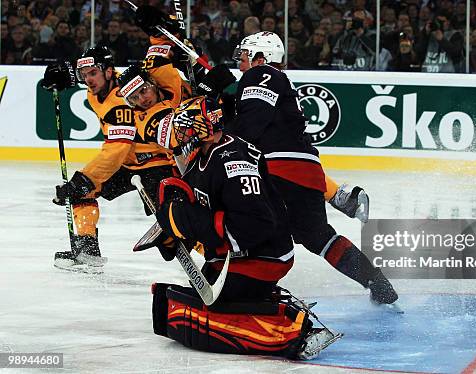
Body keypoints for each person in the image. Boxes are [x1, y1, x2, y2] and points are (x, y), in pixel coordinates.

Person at [147, 95, 341, 359]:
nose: (180, 137)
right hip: (235, 255)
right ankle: (261, 302)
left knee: (195, 316)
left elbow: (255, 226)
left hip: (264, 256)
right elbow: (202, 210)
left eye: (186, 129)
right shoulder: (202, 157)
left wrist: (188, 222)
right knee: (178, 302)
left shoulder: (233, 163)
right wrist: (176, 232)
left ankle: (290, 331)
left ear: (205, 127)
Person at [229, 31, 398, 305]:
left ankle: (247, 293)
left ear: (261, 57)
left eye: (245, 57)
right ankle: (377, 283)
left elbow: (250, 125)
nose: (241, 65)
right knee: (318, 237)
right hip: (306, 173)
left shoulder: (262, 74)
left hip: (277, 170)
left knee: (253, 229)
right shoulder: (276, 80)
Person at [41, 46, 177, 272]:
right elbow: (118, 153)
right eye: (83, 75)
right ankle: (86, 250)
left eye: (93, 73)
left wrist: (83, 178)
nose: (88, 79)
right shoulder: (96, 91)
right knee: (83, 192)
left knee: (174, 221)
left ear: (108, 71)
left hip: (156, 164)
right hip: (128, 164)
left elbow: (117, 149)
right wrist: (64, 73)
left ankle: (213, 252)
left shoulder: (120, 99)